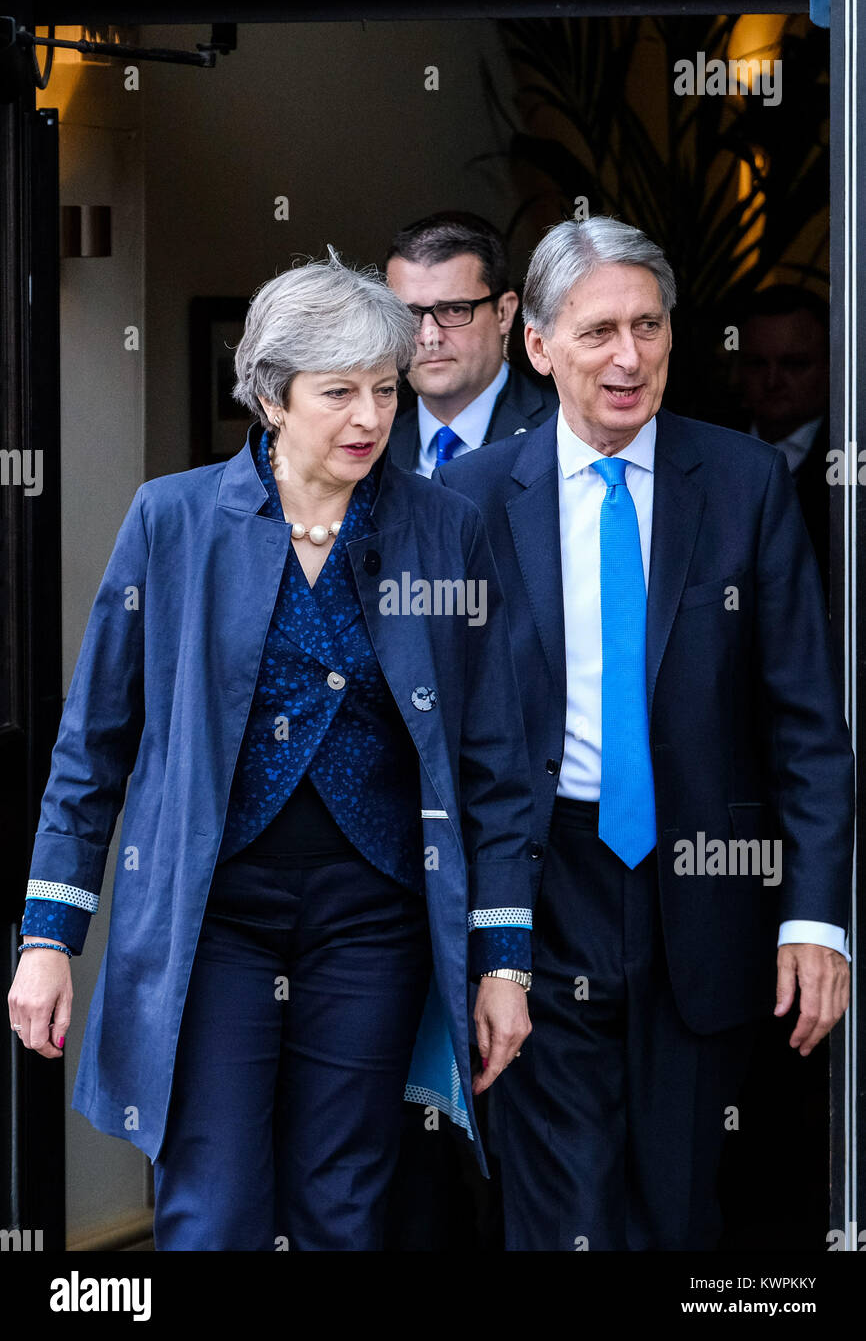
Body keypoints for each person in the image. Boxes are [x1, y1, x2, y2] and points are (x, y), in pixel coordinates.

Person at [7, 249, 536, 1251]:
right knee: (211, 1204)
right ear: (268, 396)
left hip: (372, 918)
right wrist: (47, 940)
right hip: (214, 922)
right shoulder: (173, 521)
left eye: (383, 389)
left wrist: (500, 961)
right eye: (338, 392)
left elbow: (494, 762)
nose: (369, 418)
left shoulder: (444, 529)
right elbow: (92, 746)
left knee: (344, 1202)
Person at [436, 215, 853, 1251]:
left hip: (704, 895)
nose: (628, 357)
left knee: (677, 1212)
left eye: (649, 326)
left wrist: (812, 918)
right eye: (596, 332)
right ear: (536, 345)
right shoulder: (472, 497)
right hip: (543, 889)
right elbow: (439, 726)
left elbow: (805, 718)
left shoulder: (744, 485)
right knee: (561, 1211)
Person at [385, 211, 557, 475]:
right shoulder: (371, 440)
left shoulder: (563, 429)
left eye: (454, 310)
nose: (430, 336)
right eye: (409, 314)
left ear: (504, 312)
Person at [735, 285, 831, 590]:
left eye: (794, 364)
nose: (773, 380)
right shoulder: (707, 441)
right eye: (757, 363)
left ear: (832, 367)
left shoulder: (851, 448)